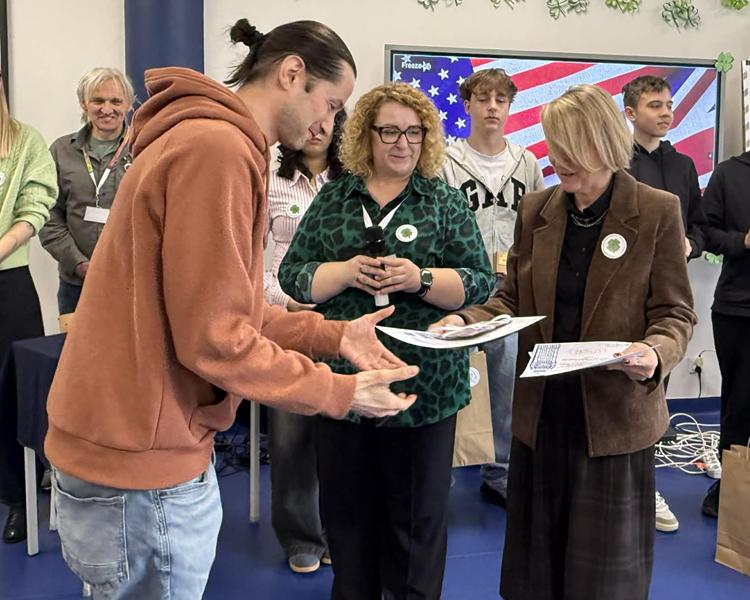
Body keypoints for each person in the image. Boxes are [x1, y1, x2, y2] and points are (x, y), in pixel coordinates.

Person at [45, 19, 418, 599]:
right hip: (141, 461)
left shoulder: (207, 139)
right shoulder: (217, 149)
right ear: (291, 73)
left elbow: (224, 307)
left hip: (134, 446)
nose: (329, 123)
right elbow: (215, 338)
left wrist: (331, 335)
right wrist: (338, 392)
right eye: (330, 102)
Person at [432, 84, 696, 600]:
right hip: (543, 416)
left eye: (570, 147)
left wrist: (655, 352)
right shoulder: (537, 210)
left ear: (603, 143)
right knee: (538, 571)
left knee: (604, 580)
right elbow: (511, 299)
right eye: (554, 145)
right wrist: (465, 321)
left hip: (613, 419)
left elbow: (675, 313)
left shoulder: (657, 210)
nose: (556, 159)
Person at [279, 82, 494, 600]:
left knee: (416, 524)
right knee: (348, 519)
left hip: (425, 388)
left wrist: (420, 279)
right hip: (346, 386)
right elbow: (294, 277)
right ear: (367, 136)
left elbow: (479, 281)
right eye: (390, 131)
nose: (403, 143)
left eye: (414, 133)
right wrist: (345, 272)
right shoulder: (335, 198)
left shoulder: (442, 201)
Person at [440, 68, 544, 507]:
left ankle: (499, 472)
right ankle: (439, 470)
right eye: (483, 98)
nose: (492, 107)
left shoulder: (526, 161)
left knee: (506, 384)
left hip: (509, 289)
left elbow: (539, 224)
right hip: (458, 285)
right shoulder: (446, 159)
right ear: (467, 105)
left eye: (501, 100)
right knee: (448, 380)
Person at [622, 74, 707, 533]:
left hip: (668, 296)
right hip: (623, 293)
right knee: (623, 387)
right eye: (655, 105)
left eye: (669, 104)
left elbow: (700, 224)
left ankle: (646, 482)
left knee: (657, 385)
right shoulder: (617, 163)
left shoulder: (684, 165)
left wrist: (692, 244)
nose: (666, 112)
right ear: (630, 113)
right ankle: (625, 486)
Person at [264, 109, 347, 574]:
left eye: (328, 118)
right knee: (291, 435)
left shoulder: (355, 183)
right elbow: (250, 265)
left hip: (343, 325)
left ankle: (341, 531)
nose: (318, 128)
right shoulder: (269, 182)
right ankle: (300, 536)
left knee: (344, 431)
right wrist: (287, 302)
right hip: (290, 323)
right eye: (310, 119)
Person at [0, 76, 58, 543]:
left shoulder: (25, 142)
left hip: (8, 281)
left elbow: (35, 207)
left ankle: (19, 498)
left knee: (13, 390)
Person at [39, 68, 135, 314]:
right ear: (84, 103)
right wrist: (79, 263)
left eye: (116, 101)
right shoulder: (61, 150)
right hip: (76, 284)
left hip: (132, 281)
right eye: (98, 101)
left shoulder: (144, 148)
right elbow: (48, 214)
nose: (107, 109)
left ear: (128, 104)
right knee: (73, 340)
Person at [700, 150, 750, 518]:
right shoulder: (729, 173)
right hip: (738, 309)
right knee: (739, 404)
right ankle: (730, 489)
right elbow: (706, 233)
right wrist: (743, 241)